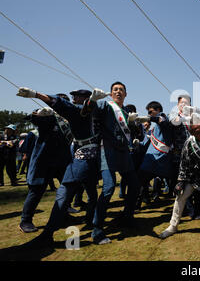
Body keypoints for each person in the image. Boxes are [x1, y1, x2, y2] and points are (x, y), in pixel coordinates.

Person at [15, 88, 98, 238]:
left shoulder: (71, 118)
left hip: (63, 161)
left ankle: (64, 214)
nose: (69, 103)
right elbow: (34, 118)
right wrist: (38, 114)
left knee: (67, 190)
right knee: (37, 191)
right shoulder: (49, 116)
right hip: (44, 160)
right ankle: (25, 220)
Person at [80, 82, 141, 244]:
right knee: (108, 188)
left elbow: (130, 132)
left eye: (121, 90)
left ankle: (127, 216)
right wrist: (92, 100)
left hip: (124, 153)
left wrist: (134, 126)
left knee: (135, 185)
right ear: (111, 93)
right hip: (107, 150)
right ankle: (97, 229)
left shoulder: (126, 111)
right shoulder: (105, 105)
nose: (118, 92)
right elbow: (85, 112)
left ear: (126, 94)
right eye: (115, 90)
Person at [158, 113, 200, 239]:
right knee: (181, 195)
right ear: (191, 133)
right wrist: (180, 182)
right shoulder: (189, 144)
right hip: (199, 175)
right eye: (198, 132)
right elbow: (184, 165)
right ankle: (172, 226)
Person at [136, 101, 173, 210]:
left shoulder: (164, 118)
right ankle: (138, 204)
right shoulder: (153, 129)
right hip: (151, 160)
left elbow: (162, 121)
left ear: (158, 110)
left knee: (140, 181)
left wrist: (149, 118)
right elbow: (145, 144)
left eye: (151, 112)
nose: (149, 114)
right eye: (148, 112)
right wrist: (138, 143)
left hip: (160, 159)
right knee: (141, 181)